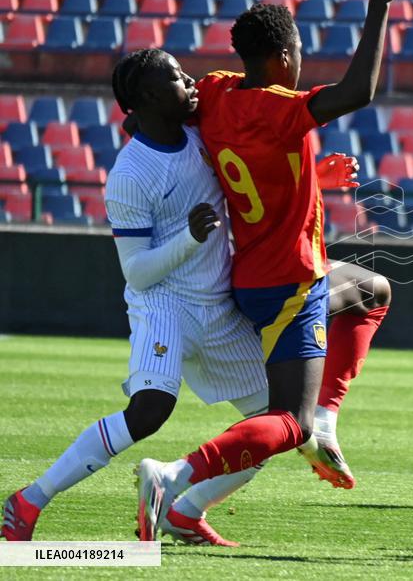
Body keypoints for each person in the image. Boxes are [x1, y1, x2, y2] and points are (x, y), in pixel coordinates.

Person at [133, 0, 410, 539]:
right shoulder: (281, 107)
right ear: (286, 56)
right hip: (288, 284)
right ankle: (174, 476)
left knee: (373, 290)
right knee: (289, 422)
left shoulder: (213, 92)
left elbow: (234, 150)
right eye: (301, 51)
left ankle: (195, 505)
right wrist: (380, 4)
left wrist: (315, 178)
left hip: (260, 272)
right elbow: (358, 91)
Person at [3, 50, 271, 546]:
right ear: (149, 95)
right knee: (149, 411)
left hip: (217, 307)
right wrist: (189, 237)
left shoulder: (199, 134)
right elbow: (137, 272)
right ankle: (28, 501)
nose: (189, 80)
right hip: (164, 304)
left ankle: (186, 512)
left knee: (275, 423)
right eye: (176, 77)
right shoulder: (130, 174)